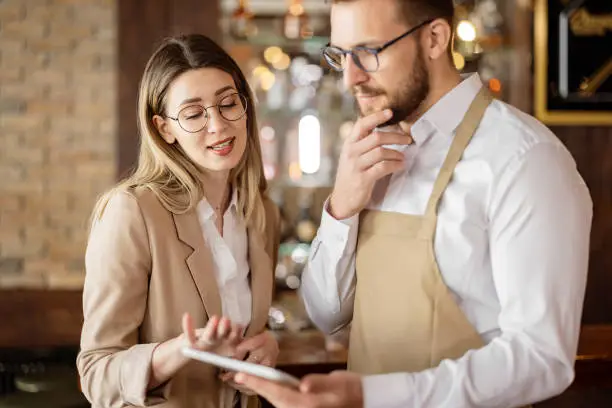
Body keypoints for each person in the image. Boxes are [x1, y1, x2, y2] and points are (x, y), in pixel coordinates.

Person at [237, 0, 593, 407]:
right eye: (340, 55)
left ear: (435, 39)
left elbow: (541, 357)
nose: (350, 77)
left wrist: (370, 395)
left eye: (368, 53)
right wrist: (341, 209)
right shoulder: (369, 154)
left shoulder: (524, 159)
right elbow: (327, 315)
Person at [76, 34, 280, 408]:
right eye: (193, 113)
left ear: (244, 106)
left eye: (227, 103)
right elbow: (97, 374)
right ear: (164, 128)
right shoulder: (132, 212)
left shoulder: (261, 213)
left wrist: (265, 348)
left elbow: (250, 340)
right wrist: (184, 349)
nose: (217, 125)